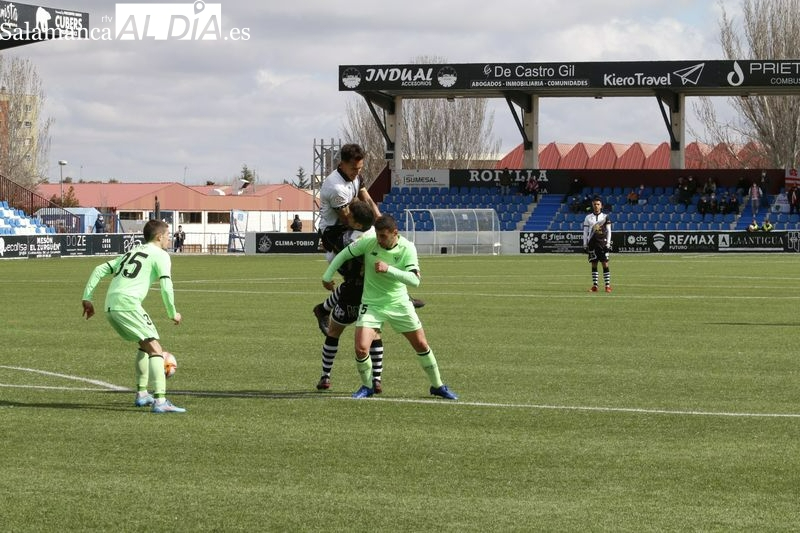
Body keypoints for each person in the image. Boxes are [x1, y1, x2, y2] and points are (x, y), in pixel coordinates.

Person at [322, 214, 458, 401]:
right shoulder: (369, 242)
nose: (379, 240)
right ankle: (368, 386)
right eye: (377, 235)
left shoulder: (408, 248)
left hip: (399, 304)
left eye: (383, 236)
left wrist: (389, 269)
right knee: (361, 349)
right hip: (372, 304)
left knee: (421, 345)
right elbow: (344, 254)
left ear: (395, 233)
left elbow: (414, 280)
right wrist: (327, 276)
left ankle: (438, 385)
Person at [312, 143, 423, 335]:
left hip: (354, 226)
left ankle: (323, 309)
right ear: (342, 164)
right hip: (335, 232)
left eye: (360, 168)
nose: (358, 172)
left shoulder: (354, 176)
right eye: (354, 168)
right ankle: (324, 310)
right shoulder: (335, 187)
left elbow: (368, 200)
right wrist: (371, 233)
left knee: (365, 269)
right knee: (361, 272)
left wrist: (380, 221)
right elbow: (348, 219)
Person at [81, 219, 185, 413]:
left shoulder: (132, 252)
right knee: (155, 348)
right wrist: (173, 312)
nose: (170, 239)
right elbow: (166, 286)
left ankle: (142, 394)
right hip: (127, 304)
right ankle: (160, 401)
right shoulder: (161, 255)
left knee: (144, 345)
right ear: (159, 237)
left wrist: (87, 298)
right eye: (168, 236)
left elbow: (99, 269)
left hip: (110, 305)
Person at [316, 201, 385, 393]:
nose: (346, 216)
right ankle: (377, 379)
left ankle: (325, 376)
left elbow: (335, 250)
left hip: (352, 291)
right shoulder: (375, 234)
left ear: (356, 223)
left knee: (334, 332)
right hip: (373, 290)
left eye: (350, 215)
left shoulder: (347, 239)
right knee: (375, 334)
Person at [582, 196, 612, 293]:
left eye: (598, 204)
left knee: (605, 264)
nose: (596, 206)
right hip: (592, 244)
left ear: (601, 206)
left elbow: (609, 231)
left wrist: (608, 244)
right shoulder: (588, 217)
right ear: (592, 205)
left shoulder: (605, 217)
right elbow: (585, 231)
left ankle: (607, 286)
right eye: (594, 204)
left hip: (602, 244)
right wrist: (584, 244)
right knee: (594, 264)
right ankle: (595, 286)